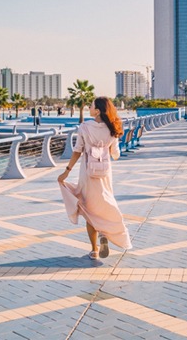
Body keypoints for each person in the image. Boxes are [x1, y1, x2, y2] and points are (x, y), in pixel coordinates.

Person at [58, 96, 132, 260]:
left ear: (97, 111)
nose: (89, 108)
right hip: (104, 175)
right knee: (105, 204)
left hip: (87, 175)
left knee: (89, 210)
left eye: (91, 106)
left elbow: (77, 150)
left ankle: (94, 250)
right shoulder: (112, 128)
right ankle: (104, 234)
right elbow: (116, 155)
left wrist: (67, 171)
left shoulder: (84, 127)